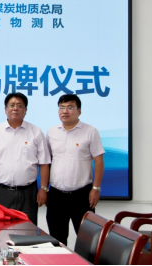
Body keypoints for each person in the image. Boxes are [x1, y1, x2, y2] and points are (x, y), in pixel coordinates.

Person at [46, 94, 105, 245]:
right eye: (61, 107)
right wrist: (44, 188)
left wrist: (96, 189)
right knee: (57, 240)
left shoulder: (90, 131)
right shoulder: (52, 132)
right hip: (56, 195)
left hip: (82, 194)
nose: (65, 111)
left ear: (79, 111)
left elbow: (98, 161)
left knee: (87, 240)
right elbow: (47, 162)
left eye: (70, 108)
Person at [0, 93, 51, 225]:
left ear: (25, 110)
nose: (15, 108)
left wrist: (43, 188)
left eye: (20, 105)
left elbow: (44, 163)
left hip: (28, 193)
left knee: (28, 231)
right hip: (1, 192)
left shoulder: (36, 132)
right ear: (5, 109)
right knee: (0, 231)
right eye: (12, 105)